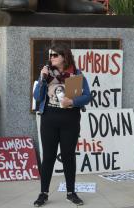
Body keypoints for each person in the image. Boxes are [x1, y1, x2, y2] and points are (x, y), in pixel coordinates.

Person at [33, 43, 91, 207]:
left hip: (70, 119)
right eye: (50, 55)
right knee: (49, 157)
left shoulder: (75, 74)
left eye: (54, 55)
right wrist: (43, 79)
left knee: (68, 156)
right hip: (49, 119)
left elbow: (87, 96)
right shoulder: (47, 74)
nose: (51, 58)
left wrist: (72, 100)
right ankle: (43, 193)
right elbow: (37, 96)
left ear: (64, 57)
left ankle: (71, 193)